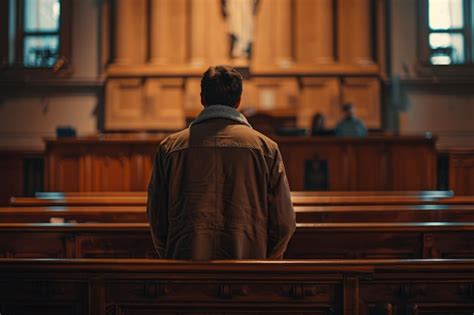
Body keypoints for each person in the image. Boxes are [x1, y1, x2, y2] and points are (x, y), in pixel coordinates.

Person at [147, 65, 296, 260]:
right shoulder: (266, 149)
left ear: (202, 99)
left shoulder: (170, 148)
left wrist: (174, 258)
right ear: (238, 101)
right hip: (248, 271)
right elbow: (284, 222)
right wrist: (265, 263)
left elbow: (157, 218)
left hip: (186, 274)